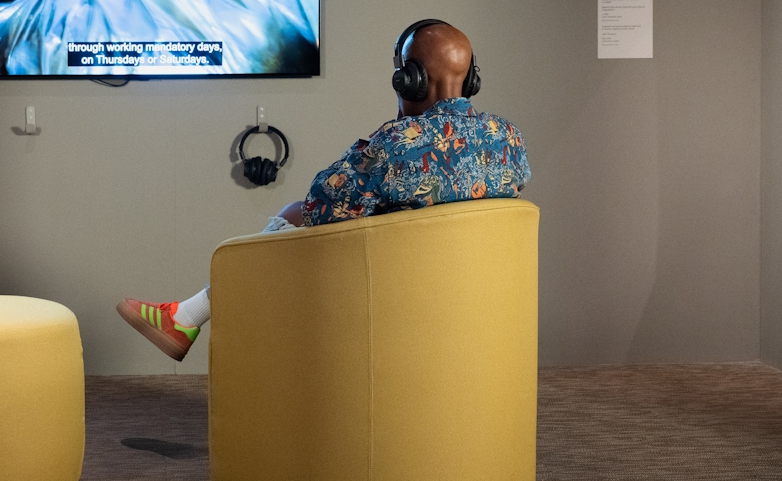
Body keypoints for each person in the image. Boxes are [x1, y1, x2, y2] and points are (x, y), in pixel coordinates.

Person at [117, 19, 531, 360]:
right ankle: (189, 315)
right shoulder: (508, 139)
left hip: (390, 301)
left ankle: (189, 316)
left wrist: (400, 124)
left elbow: (320, 203)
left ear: (410, 79)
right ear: (471, 78)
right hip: (467, 302)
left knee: (295, 212)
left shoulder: (392, 147)